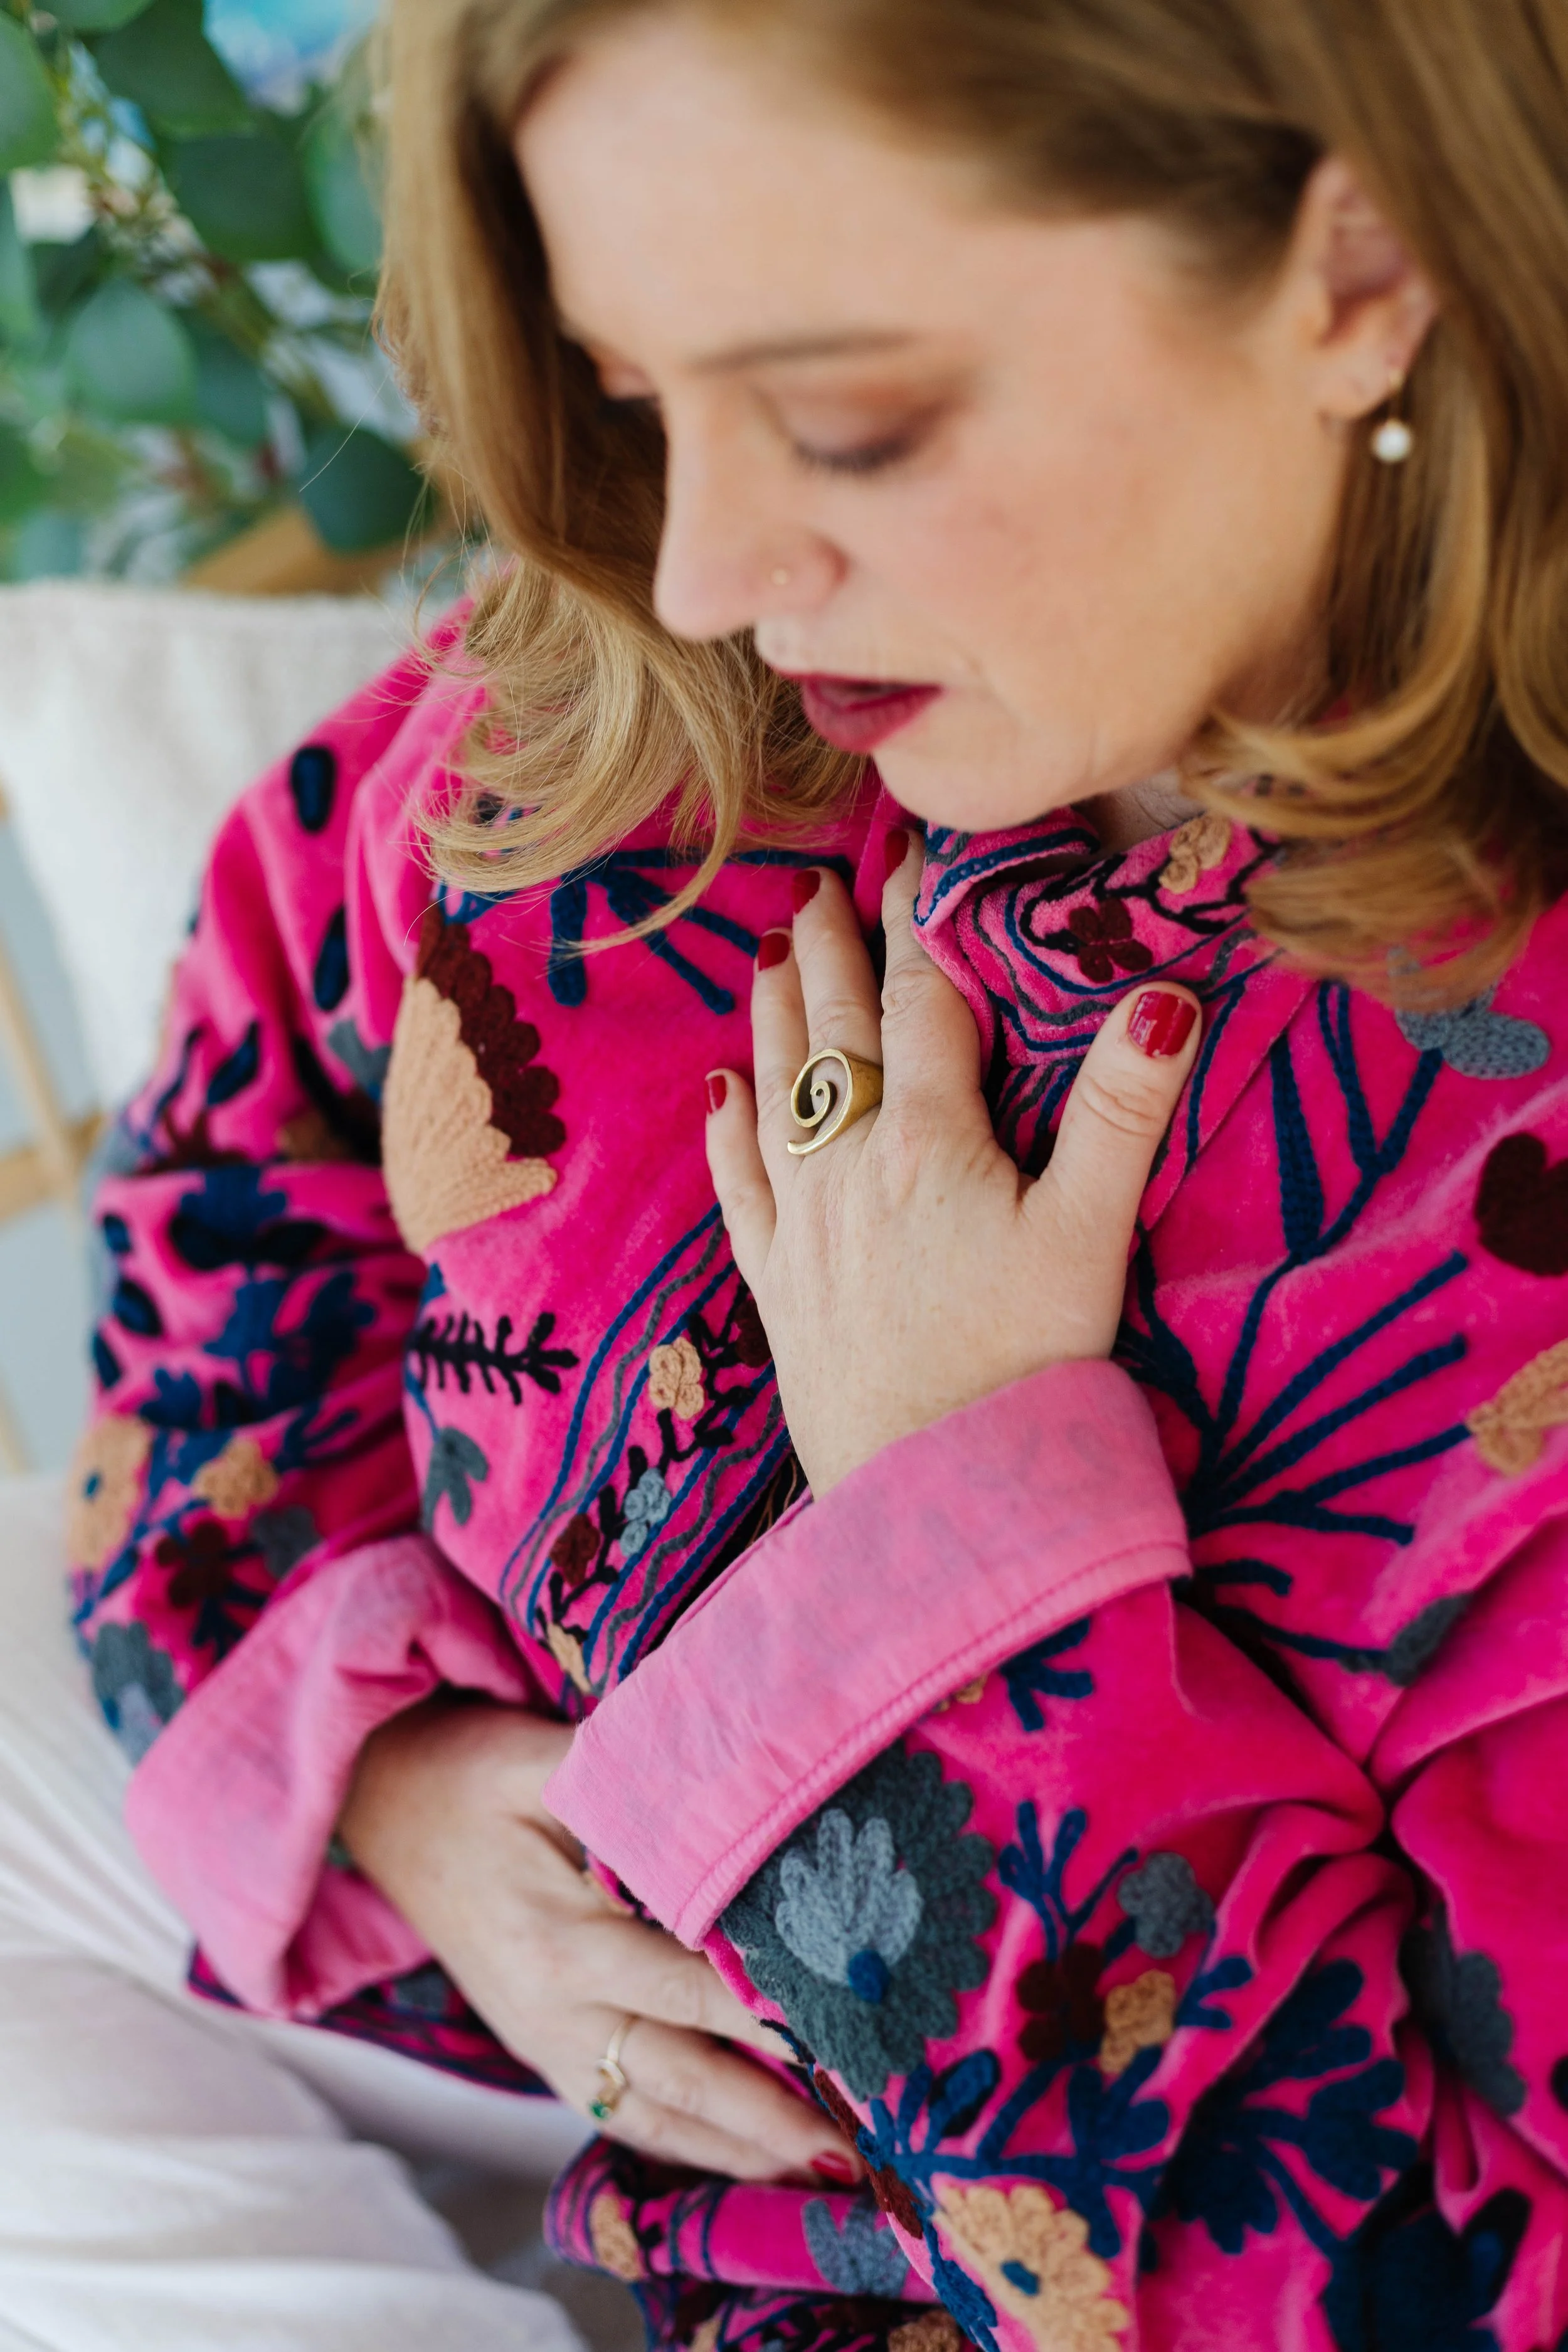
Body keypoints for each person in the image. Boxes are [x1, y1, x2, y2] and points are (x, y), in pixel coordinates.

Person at [6, 0, 1568, 2345]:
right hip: (530, 2015)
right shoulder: (608, 695)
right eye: (631, 393)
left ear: (1355, 260)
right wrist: (395, 1784)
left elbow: (1439, 2270)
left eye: (850, 420)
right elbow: (225, 1184)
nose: (713, 560)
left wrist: (953, 1525)